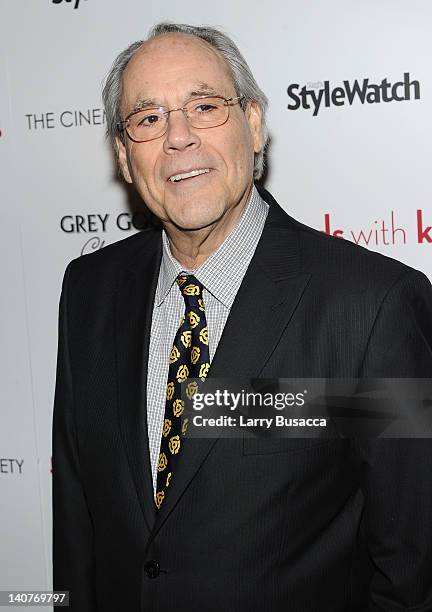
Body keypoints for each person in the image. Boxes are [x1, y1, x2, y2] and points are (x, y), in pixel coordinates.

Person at [52, 22, 432, 612]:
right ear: (125, 157)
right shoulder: (88, 293)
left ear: (253, 125)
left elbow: (412, 569)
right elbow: (77, 526)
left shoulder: (371, 308)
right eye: (148, 119)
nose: (178, 138)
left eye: (204, 107)